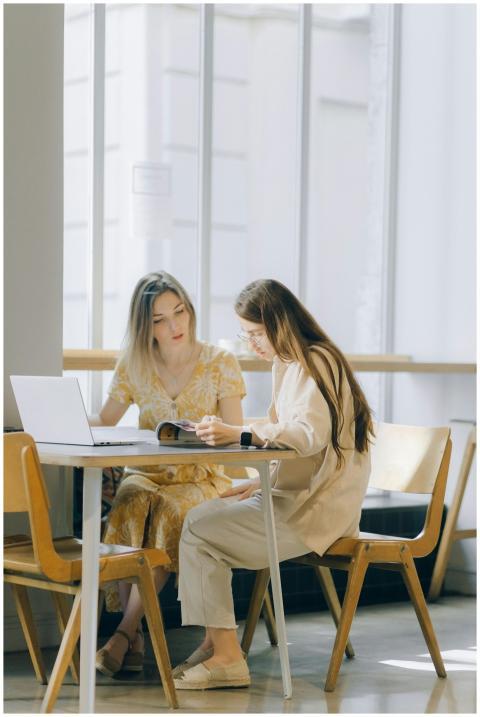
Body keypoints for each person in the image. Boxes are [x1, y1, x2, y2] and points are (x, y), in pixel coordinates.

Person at [173, 278, 374, 690]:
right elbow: (295, 442)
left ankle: (227, 655)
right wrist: (257, 483)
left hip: (317, 512)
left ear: (279, 324)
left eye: (256, 334)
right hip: (295, 497)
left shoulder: (318, 361)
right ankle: (217, 645)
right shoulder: (291, 364)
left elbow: (305, 435)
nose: (251, 345)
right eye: (245, 336)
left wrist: (241, 434)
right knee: (198, 517)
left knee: (199, 530)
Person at [91, 271, 246, 677]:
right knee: (129, 501)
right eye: (160, 319)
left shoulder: (220, 362)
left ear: (189, 310)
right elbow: (106, 420)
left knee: (168, 512)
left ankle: (125, 634)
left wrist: (217, 439)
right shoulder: (134, 364)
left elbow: (236, 437)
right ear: (146, 326)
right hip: (148, 474)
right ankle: (133, 636)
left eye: (179, 312)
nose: (175, 326)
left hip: (203, 477)